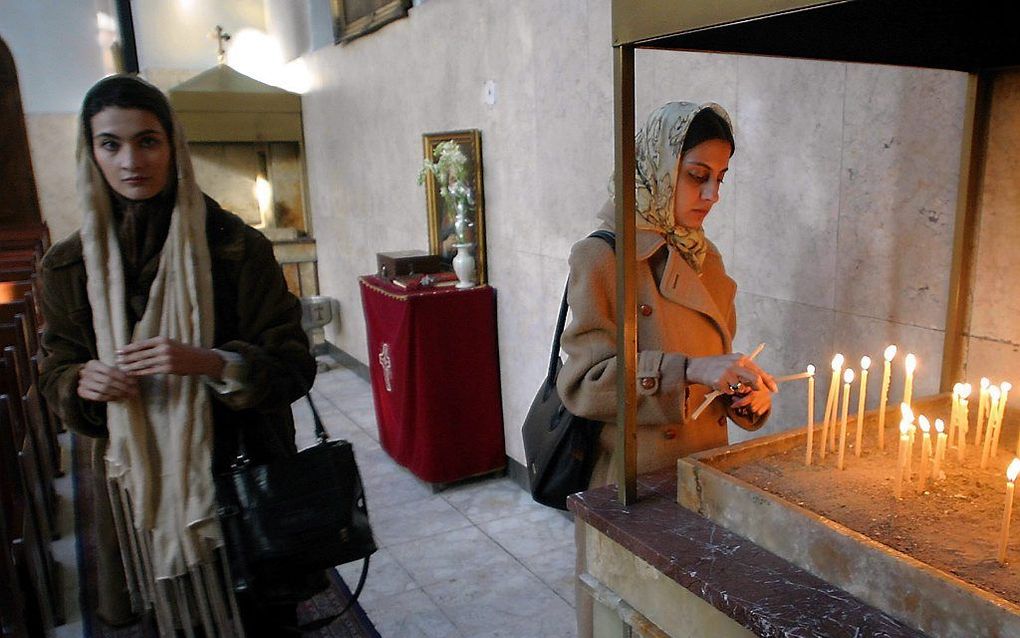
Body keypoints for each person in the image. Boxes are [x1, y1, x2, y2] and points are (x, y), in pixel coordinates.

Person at [38, 75, 317, 636]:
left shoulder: (236, 246)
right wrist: (79, 382)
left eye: (148, 141)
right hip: (133, 482)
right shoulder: (67, 266)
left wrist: (212, 363)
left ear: (173, 145)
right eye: (110, 144)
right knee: (164, 619)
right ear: (89, 153)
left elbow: (292, 363)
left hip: (238, 467)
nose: (130, 160)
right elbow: (56, 370)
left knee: (257, 617)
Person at [558, 101, 778, 492]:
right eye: (697, 176)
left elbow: (710, 367)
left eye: (720, 179)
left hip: (707, 473)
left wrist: (742, 392)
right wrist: (689, 370)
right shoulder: (605, 256)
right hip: (635, 485)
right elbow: (584, 385)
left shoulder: (705, 258)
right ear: (656, 167)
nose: (712, 195)